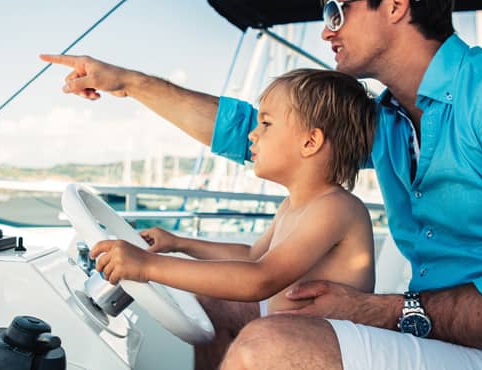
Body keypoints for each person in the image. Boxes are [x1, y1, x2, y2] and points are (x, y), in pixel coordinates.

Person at [43, 0, 482, 370]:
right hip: (440, 337)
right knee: (208, 306)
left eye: (337, 11)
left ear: (396, 5)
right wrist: (129, 82)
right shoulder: (394, 122)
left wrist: (383, 311)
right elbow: (253, 131)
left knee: (270, 346)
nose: (325, 30)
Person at [87, 69, 377, 368]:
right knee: (211, 305)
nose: (253, 133)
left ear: (310, 142)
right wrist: (179, 243)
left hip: (330, 348)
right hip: (293, 328)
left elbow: (261, 279)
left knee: (257, 338)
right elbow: (253, 256)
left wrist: (146, 266)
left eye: (266, 123)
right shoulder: (294, 204)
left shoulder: (334, 208)